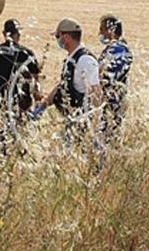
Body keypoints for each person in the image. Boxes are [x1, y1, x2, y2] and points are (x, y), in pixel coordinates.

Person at [35, 18, 103, 152]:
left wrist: (93, 123)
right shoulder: (72, 59)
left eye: (57, 36)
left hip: (81, 121)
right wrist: (43, 105)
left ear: (65, 37)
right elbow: (63, 84)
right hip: (72, 119)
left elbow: (96, 91)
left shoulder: (85, 60)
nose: (57, 40)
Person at [0, 19, 42, 150]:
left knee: (0, 140)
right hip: (21, 105)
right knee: (20, 140)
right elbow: (35, 84)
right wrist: (38, 101)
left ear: (3, 33)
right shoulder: (27, 54)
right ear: (18, 35)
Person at [97, 14, 133, 142]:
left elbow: (107, 75)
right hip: (108, 103)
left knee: (108, 140)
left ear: (110, 31)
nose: (99, 33)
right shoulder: (113, 49)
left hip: (113, 103)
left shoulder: (119, 50)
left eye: (101, 30)